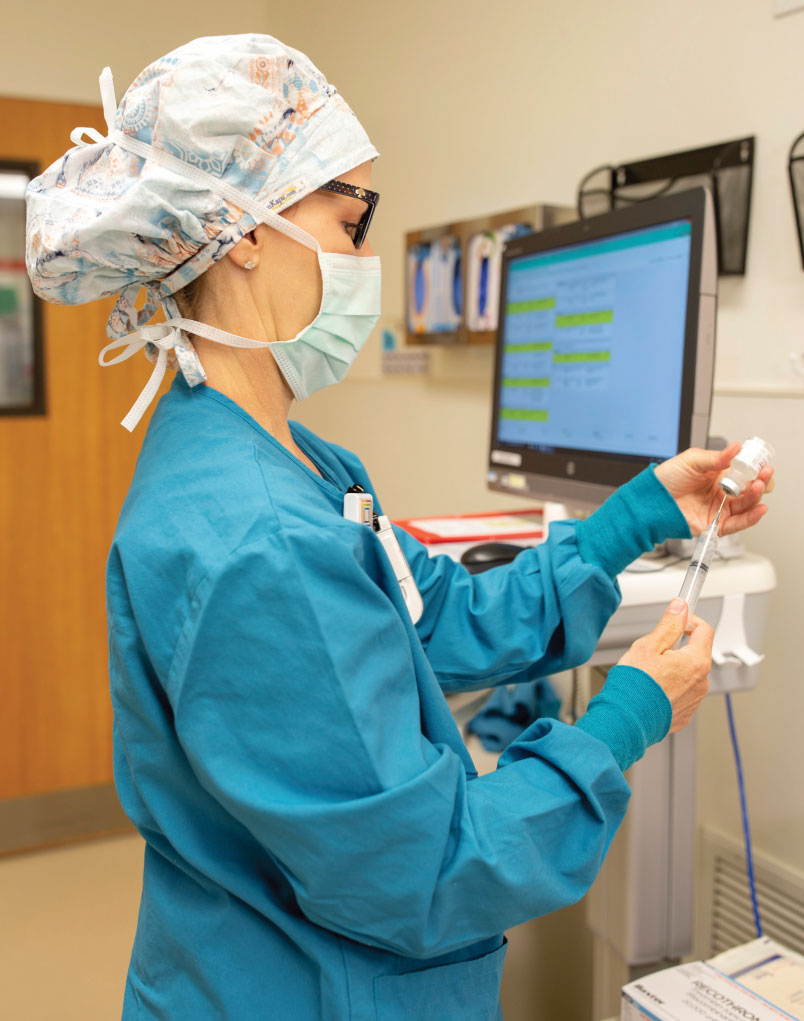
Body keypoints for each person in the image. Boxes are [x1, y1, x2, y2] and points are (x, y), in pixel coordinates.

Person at [25, 34, 773, 1021]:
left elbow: (437, 615)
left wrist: (644, 511)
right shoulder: (260, 537)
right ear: (244, 229)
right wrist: (627, 713)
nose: (365, 259)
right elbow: (432, 868)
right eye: (350, 221)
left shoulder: (286, 462)